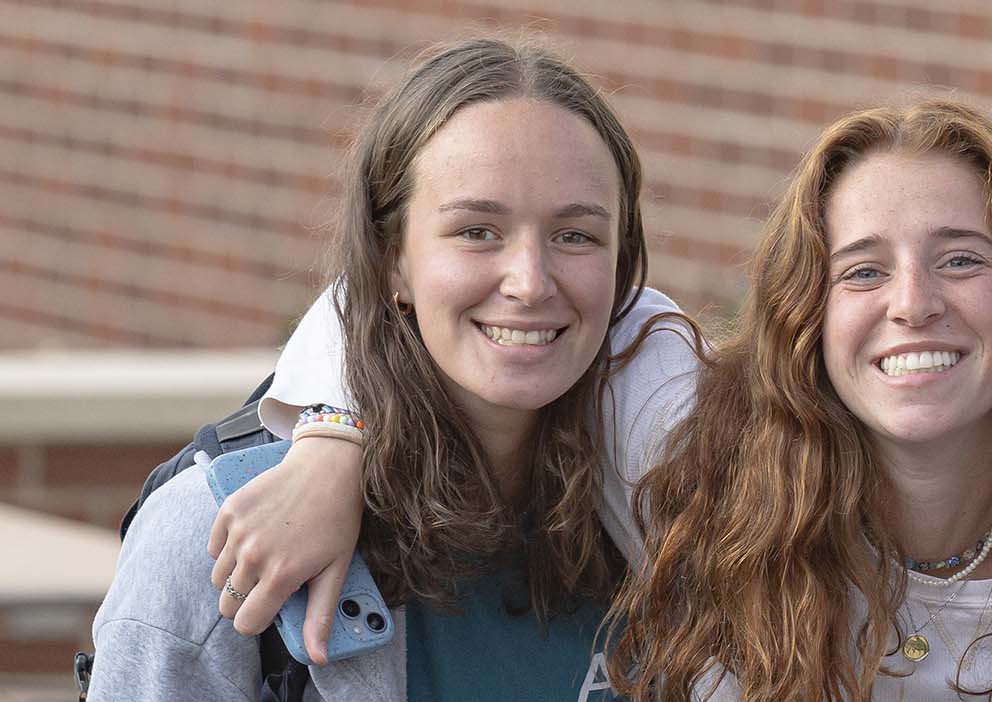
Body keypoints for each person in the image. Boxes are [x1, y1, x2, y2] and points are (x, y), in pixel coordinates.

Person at [207, 100, 992, 701]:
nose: (914, 306)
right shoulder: (697, 446)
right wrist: (334, 437)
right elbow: (444, 290)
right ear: (804, 314)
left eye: (961, 259)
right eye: (861, 272)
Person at [89, 36, 655, 700]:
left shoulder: (682, 510)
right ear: (392, 260)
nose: (530, 281)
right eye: (477, 231)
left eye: (576, 236)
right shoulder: (219, 538)